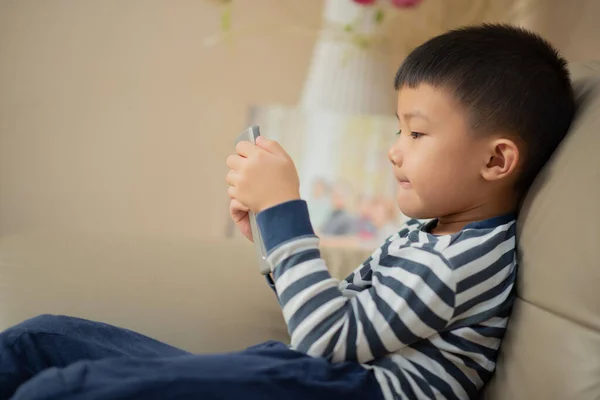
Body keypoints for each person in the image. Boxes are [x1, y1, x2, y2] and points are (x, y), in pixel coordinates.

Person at [0, 24, 575, 400]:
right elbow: (338, 313)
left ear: (497, 160)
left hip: (341, 390)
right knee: (41, 340)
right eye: (399, 128)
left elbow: (325, 340)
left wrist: (284, 211)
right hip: (316, 377)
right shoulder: (432, 235)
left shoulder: (463, 262)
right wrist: (272, 243)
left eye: (417, 132)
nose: (395, 148)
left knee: (67, 388)